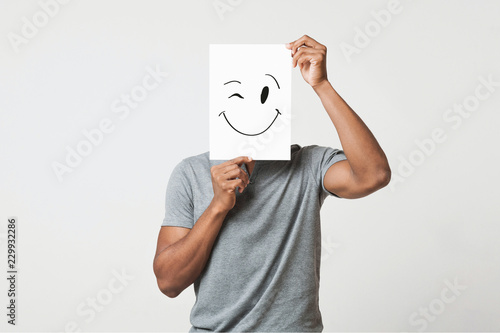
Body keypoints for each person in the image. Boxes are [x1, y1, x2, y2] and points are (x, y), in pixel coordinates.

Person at [153, 35, 391, 332]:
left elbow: (374, 175)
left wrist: (322, 85)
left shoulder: (309, 164)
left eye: (265, 93)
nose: (253, 106)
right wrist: (218, 207)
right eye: (238, 96)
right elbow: (169, 282)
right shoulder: (191, 172)